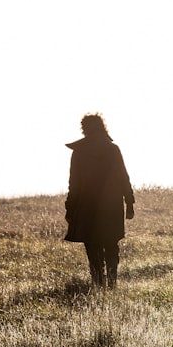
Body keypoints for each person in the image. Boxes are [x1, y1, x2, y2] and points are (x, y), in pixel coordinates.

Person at [64, 113, 135, 287]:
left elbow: (74, 184)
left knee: (92, 244)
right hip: (111, 204)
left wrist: (70, 209)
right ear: (102, 126)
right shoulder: (112, 149)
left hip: (86, 205)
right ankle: (112, 282)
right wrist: (130, 201)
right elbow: (122, 177)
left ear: (84, 129)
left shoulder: (79, 153)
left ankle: (98, 282)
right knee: (111, 243)